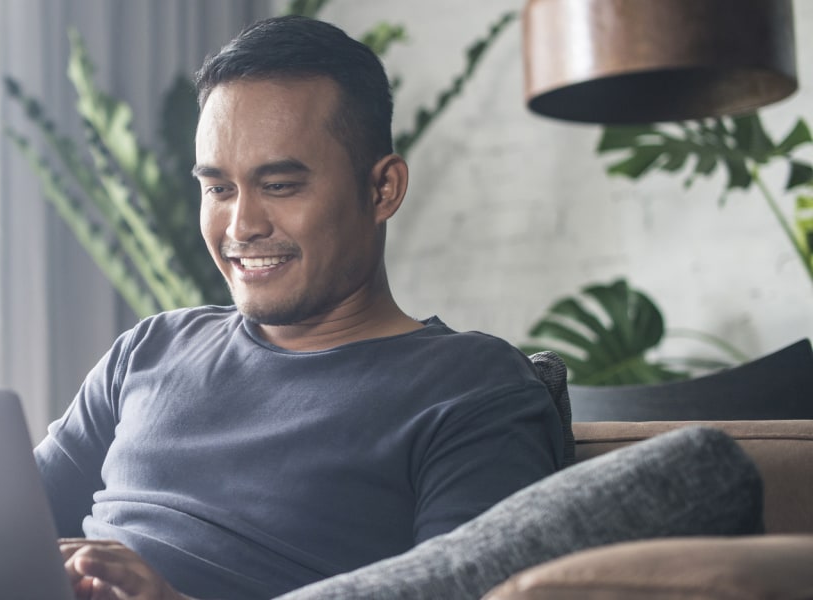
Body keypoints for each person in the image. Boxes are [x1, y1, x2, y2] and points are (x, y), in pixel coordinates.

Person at [37, 15, 567, 600]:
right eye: (218, 188)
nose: (242, 225)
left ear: (382, 189)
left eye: (281, 185)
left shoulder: (471, 389)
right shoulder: (149, 349)